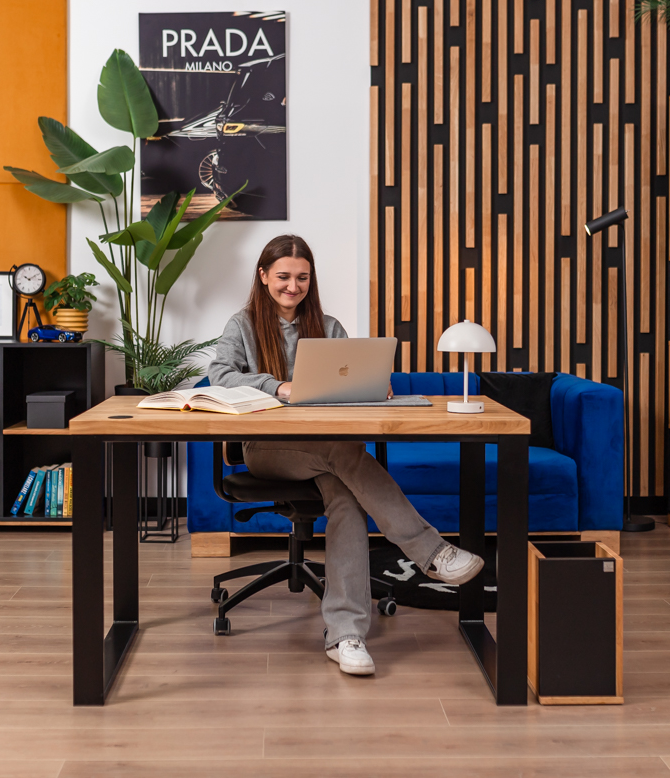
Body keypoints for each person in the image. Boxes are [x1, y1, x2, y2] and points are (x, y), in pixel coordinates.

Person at [207, 234, 485, 676]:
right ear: (263, 277)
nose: (292, 287)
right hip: (266, 450)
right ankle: (432, 553)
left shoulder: (329, 326)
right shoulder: (240, 325)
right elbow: (219, 374)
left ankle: (345, 636)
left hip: (327, 452)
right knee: (343, 452)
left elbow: (353, 380)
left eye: (301, 278)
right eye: (282, 277)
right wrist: (278, 387)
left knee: (346, 500)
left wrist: (375, 386)